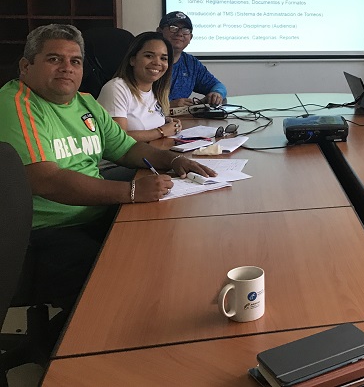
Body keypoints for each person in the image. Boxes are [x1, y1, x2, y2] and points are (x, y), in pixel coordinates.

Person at [0, 24, 217, 312]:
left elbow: (126, 148)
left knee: (168, 240)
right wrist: (130, 191)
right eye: (54, 59)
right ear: (26, 66)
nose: (67, 68)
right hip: (42, 233)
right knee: (123, 276)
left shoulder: (84, 102)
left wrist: (175, 161)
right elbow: (45, 180)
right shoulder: (16, 104)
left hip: (93, 214)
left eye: (75, 61)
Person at [97, 31, 182, 142]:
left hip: (150, 152)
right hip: (121, 158)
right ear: (132, 60)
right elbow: (118, 139)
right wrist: (161, 131)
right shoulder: (116, 88)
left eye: (163, 58)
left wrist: (166, 122)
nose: (157, 62)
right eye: (149, 56)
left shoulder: (156, 91)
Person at [157, 11, 227, 107]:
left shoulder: (191, 64)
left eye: (185, 30)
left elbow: (218, 86)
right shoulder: (150, 63)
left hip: (182, 120)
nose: (180, 33)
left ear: (190, 38)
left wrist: (216, 94)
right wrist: (167, 106)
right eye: (173, 28)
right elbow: (136, 104)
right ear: (159, 32)